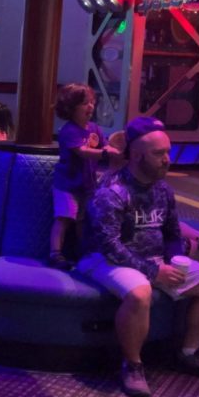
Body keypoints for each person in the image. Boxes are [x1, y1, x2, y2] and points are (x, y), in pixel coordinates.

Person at [76, 116, 199, 397]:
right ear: (136, 155)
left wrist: (174, 261)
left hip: (151, 260)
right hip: (103, 260)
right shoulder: (112, 191)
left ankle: (187, 354)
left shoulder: (162, 190)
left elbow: (171, 233)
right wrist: (155, 272)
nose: (167, 159)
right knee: (140, 292)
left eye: (168, 152)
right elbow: (109, 245)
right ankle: (132, 365)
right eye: (159, 154)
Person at [49, 83, 119, 270]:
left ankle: (83, 252)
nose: (90, 106)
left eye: (92, 102)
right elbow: (82, 151)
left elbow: (104, 145)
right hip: (67, 184)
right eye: (84, 103)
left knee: (83, 220)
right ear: (70, 107)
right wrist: (106, 153)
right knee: (64, 217)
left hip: (87, 185)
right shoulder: (69, 130)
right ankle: (55, 253)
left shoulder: (94, 128)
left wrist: (113, 149)